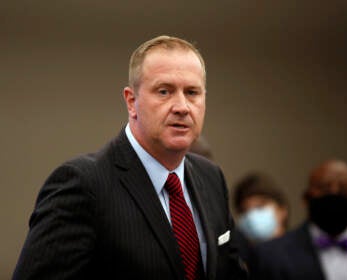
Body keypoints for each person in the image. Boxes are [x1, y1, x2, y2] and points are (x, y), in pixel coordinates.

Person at [12, 35, 246, 280]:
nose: (182, 106)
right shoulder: (83, 185)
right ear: (132, 102)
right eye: (164, 91)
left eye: (192, 92)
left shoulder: (211, 179)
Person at [250, 159, 347, 280]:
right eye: (325, 188)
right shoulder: (270, 256)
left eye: (344, 189)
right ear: (306, 198)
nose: (335, 193)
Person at [232, 172, 289, 271]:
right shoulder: (238, 267)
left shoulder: (304, 257)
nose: (251, 216)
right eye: (244, 211)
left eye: (260, 207)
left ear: (282, 210)